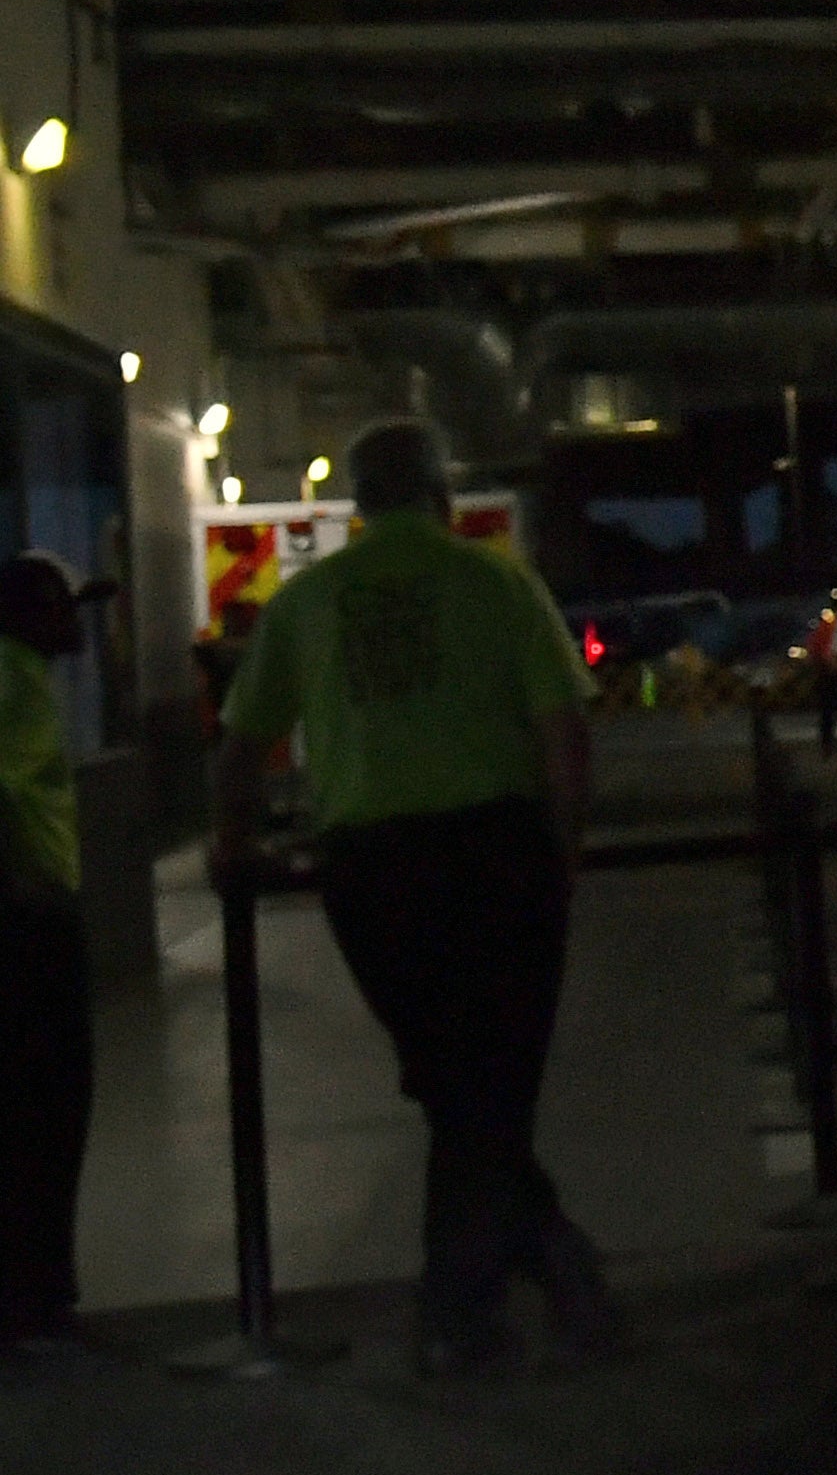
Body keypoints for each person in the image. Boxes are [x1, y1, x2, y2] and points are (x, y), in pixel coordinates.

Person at [213, 419, 613, 1377]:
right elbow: (563, 726)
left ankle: (515, 1281)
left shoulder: (308, 603)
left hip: (370, 869)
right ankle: (485, 1296)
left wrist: (234, 844)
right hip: (498, 855)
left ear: (359, 503)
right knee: (494, 1082)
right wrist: (565, 844)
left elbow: (236, 747)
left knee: (450, 1080)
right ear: (441, 494)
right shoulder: (499, 582)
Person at [0, 549, 115, 1368]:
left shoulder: (22, 676)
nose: (77, 622)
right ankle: (36, 1311)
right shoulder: (10, 677)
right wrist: (22, 887)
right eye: (65, 607)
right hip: (25, 927)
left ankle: (35, 1305)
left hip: (30, 915)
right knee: (45, 1111)